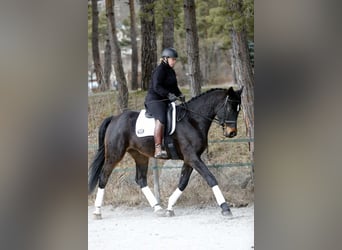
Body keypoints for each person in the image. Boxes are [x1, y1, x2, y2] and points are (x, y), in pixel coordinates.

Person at [144, 48, 185, 159]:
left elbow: (174, 87)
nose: (174, 61)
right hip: (155, 100)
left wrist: (179, 95)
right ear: (166, 59)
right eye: (173, 59)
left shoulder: (171, 71)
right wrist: (168, 95)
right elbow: (157, 87)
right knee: (162, 117)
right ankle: (158, 148)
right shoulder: (159, 70)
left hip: (166, 100)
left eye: (175, 60)